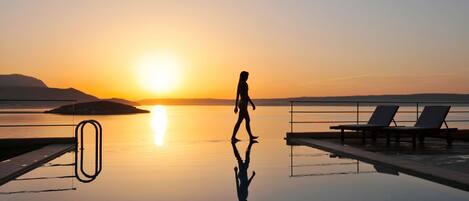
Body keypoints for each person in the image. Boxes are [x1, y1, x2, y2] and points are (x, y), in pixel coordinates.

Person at [232, 71, 258, 142]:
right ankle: (233, 137)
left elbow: (237, 95)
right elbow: (246, 95)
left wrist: (236, 106)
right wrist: (252, 104)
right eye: (247, 76)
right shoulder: (243, 84)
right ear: (244, 76)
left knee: (246, 120)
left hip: (242, 104)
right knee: (241, 121)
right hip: (243, 104)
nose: (247, 77)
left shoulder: (240, 83)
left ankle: (250, 136)